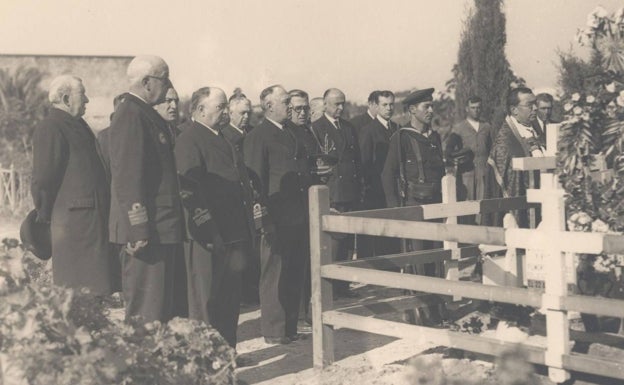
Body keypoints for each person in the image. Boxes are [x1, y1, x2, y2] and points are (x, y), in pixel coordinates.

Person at [175, 86, 256, 352]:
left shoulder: (222, 138)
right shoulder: (189, 139)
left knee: (229, 302)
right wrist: (208, 231)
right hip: (210, 235)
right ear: (200, 110)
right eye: (220, 107)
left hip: (233, 232)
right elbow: (189, 191)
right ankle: (205, 365)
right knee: (205, 303)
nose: (224, 113)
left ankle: (226, 358)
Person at [108, 55, 185, 322]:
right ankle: (142, 365)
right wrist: (138, 228)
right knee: (146, 312)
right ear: (147, 82)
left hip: (160, 228)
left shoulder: (144, 114)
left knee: (160, 310)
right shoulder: (131, 115)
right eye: (164, 80)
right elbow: (128, 177)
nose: (168, 87)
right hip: (147, 232)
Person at [31, 75, 113, 295]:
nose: (87, 100)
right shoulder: (51, 127)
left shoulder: (76, 125)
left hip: (88, 222)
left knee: (92, 293)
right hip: (74, 226)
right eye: (82, 94)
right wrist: (46, 214)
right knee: (77, 294)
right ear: (66, 99)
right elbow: (43, 179)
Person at [244, 85, 313, 344]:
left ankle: (290, 326)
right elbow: (255, 182)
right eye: (285, 101)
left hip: (298, 215)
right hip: (275, 218)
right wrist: (263, 219)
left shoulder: (293, 133)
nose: (290, 106)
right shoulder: (259, 136)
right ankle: (274, 330)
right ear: (269, 106)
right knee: (274, 273)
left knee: (295, 270)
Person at [381, 88, 445, 259]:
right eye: (426, 107)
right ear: (412, 110)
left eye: (432, 106)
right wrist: (394, 209)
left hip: (436, 203)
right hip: (413, 205)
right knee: (417, 254)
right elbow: (387, 174)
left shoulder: (435, 137)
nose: (431, 111)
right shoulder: (401, 137)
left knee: (437, 251)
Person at [312, 88, 362, 298]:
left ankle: (343, 286)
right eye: (335, 104)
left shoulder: (349, 127)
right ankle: (330, 288)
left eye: (343, 104)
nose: (340, 108)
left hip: (350, 191)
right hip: (333, 192)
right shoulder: (316, 128)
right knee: (333, 243)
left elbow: (356, 159)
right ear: (325, 104)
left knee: (348, 242)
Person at [488, 87, 544, 228]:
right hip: (521, 207)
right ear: (514, 110)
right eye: (529, 105)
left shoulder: (537, 129)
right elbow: (509, 183)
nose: (535, 108)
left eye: (536, 103)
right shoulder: (505, 142)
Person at [358, 90, 400, 257]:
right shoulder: (369, 130)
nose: (389, 108)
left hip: (394, 190)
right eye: (384, 105)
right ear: (377, 106)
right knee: (379, 234)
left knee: (393, 232)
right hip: (376, 191)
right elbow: (364, 162)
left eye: (391, 105)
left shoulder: (397, 128)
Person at [444, 96, 495, 224]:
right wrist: (459, 157)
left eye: (478, 108)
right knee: (466, 205)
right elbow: (449, 151)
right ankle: (467, 237)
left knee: (483, 204)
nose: (476, 110)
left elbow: (492, 148)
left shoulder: (487, 127)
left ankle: (483, 236)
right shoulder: (459, 128)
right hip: (466, 173)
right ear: (467, 109)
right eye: (473, 108)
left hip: (483, 172)